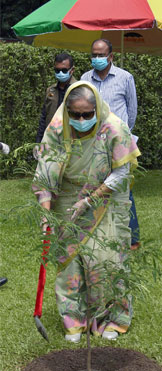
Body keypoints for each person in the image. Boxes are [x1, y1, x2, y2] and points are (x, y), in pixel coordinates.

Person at [32, 81, 141, 343]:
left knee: (106, 260)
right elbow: (46, 174)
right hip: (67, 200)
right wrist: (46, 215)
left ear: (97, 109)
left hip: (106, 201)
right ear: (67, 110)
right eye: (75, 114)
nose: (81, 119)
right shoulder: (58, 128)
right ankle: (74, 320)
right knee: (69, 263)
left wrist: (90, 199)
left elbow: (122, 171)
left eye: (87, 114)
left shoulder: (113, 127)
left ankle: (112, 318)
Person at [81, 38, 141, 250]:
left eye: (101, 55)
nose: (96, 59)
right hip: (93, 143)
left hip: (119, 143)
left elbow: (132, 111)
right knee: (96, 186)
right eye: (93, 55)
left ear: (111, 56)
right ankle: (96, 232)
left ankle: (131, 238)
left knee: (122, 188)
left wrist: (123, 134)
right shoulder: (85, 78)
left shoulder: (125, 77)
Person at [37, 53, 77, 143]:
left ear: (72, 70)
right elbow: (44, 116)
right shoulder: (51, 90)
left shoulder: (78, 89)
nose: (60, 73)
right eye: (57, 70)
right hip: (51, 138)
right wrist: (39, 140)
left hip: (71, 139)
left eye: (64, 70)